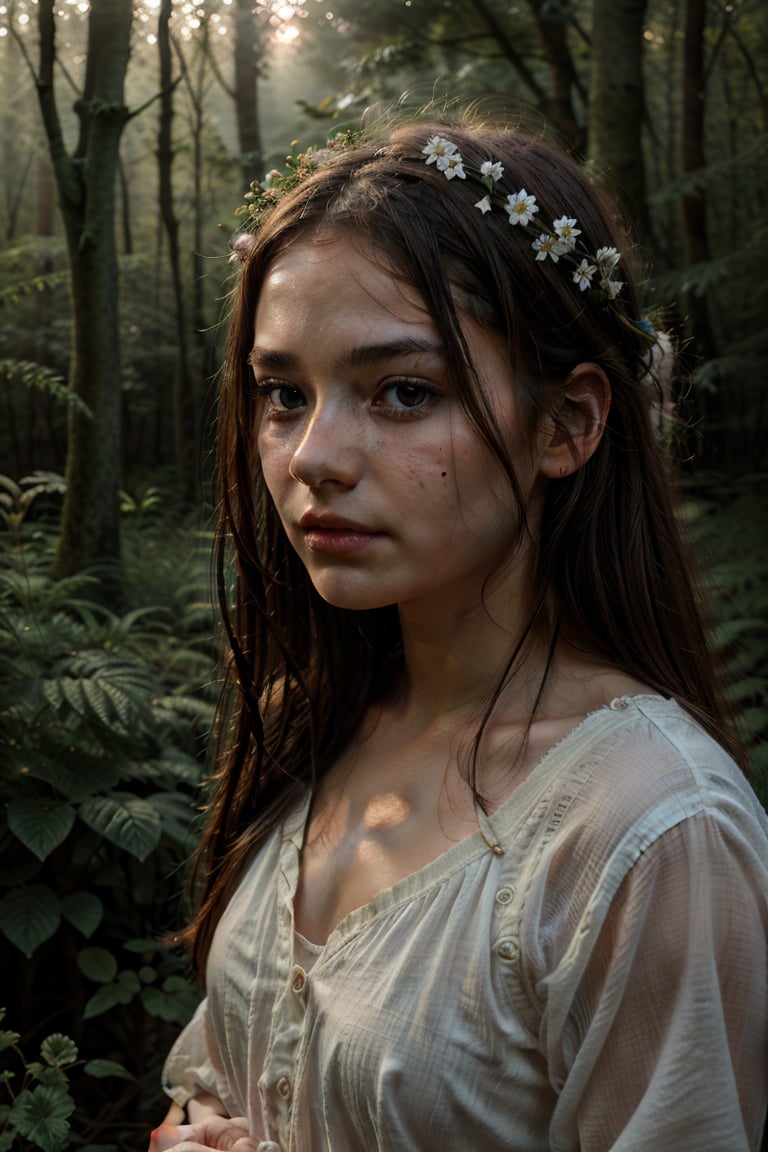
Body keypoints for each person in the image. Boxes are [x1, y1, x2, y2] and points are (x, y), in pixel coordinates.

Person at [151, 113, 768, 1152]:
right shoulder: (317, 722)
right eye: (281, 395)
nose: (314, 456)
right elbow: (219, 1081)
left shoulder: (647, 831)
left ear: (569, 423)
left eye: (401, 392)